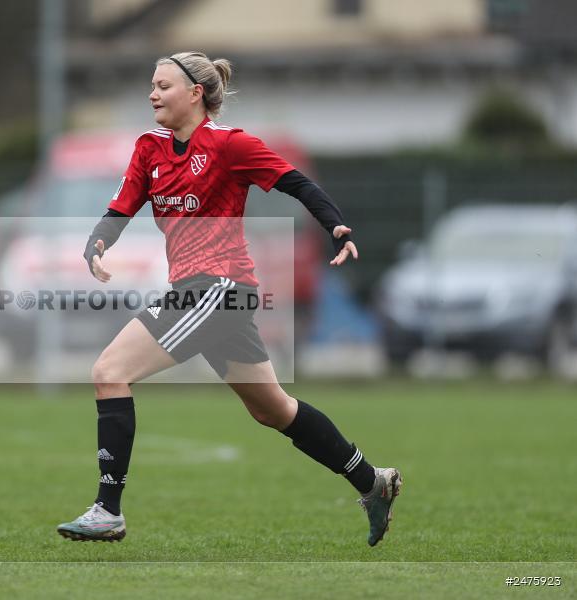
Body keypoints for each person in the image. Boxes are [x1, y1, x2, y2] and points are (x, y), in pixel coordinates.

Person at [56, 51, 401, 547]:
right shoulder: (148, 149)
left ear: (196, 93)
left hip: (216, 290)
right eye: (151, 85)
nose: (152, 93)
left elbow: (296, 182)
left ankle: (107, 510)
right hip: (209, 295)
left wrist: (335, 226)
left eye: (163, 85)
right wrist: (97, 241)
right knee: (274, 410)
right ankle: (373, 481)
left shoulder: (230, 145)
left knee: (109, 372)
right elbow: (121, 205)